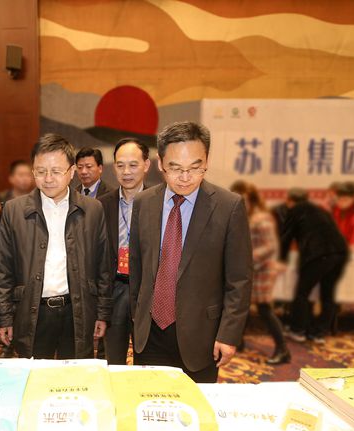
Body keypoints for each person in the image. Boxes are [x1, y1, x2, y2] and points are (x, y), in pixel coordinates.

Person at [129, 121, 252, 383]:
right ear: (161, 163)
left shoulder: (228, 206)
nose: (185, 177)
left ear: (206, 161)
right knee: (148, 400)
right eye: (176, 168)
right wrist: (136, 318)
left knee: (195, 405)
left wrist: (228, 335)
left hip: (202, 336)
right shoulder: (143, 202)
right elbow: (137, 268)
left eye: (195, 168)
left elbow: (239, 280)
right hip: (149, 334)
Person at [0, 133, 113, 359]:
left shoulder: (93, 209)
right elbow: (3, 270)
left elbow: (103, 267)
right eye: (40, 171)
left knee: (76, 374)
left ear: (71, 171)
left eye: (56, 171)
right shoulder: (14, 210)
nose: (48, 178)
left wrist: (102, 313)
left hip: (77, 311)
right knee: (35, 374)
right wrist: (4, 317)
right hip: (32, 311)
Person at [97, 138, 150, 364]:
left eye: (133, 165)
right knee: (113, 359)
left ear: (146, 165)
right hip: (115, 288)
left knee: (147, 358)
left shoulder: (160, 203)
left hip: (147, 291)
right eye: (120, 165)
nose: (126, 172)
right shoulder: (101, 205)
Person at [230, 181, 289, 365]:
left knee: (264, 310)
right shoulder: (243, 215)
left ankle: (283, 349)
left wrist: (248, 258)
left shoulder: (261, 219)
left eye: (244, 200)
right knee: (242, 306)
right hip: (249, 269)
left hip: (262, 270)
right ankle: (237, 342)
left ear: (252, 200)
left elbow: (270, 246)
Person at [280, 188, 349, 344]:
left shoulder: (295, 210)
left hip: (318, 254)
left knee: (302, 292)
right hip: (341, 252)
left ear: (290, 201)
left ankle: (298, 330)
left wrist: (281, 260)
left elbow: (286, 238)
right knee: (328, 293)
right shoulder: (320, 210)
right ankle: (318, 332)